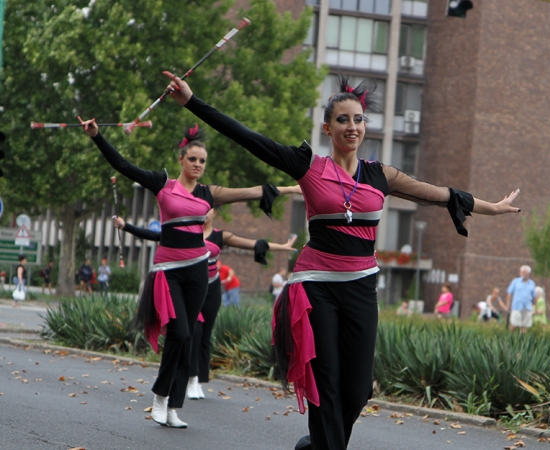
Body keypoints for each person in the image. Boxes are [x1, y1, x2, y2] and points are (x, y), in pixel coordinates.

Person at [161, 72, 520, 450]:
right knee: (326, 381)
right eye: (343, 120)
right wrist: (192, 101)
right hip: (316, 289)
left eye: (359, 119)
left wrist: (492, 207)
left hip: (362, 288)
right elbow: (248, 137)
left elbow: (440, 194)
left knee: (358, 389)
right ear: (327, 128)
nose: (353, 127)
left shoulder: (380, 175)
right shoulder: (309, 167)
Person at [78, 117, 299, 429]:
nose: (198, 165)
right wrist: (97, 137)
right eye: (193, 159)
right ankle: (159, 397)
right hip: (168, 271)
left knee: (189, 339)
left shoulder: (209, 194)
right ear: (181, 159)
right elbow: (124, 166)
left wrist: (293, 186)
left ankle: (172, 407)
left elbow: (250, 191)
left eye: (203, 161)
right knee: (179, 333)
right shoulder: (163, 184)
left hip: (198, 271)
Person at [114, 210, 297, 400]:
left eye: (208, 209)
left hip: (212, 289)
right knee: (194, 331)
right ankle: (191, 377)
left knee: (205, 335)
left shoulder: (220, 236)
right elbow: (154, 234)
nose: (204, 213)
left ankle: (199, 380)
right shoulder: (185, 232)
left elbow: (252, 244)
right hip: (191, 288)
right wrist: (126, 226)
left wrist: (283, 247)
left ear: (214, 212)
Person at [506, 265, 536, 333]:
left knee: (524, 326)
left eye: (524, 272)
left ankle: (522, 341)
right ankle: (510, 338)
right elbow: (509, 293)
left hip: (527, 307)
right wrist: (508, 305)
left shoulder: (532, 283)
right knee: (514, 324)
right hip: (517, 306)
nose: (522, 273)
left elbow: (534, 296)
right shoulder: (515, 282)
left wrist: (534, 306)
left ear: (528, 273)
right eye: (521, 272)